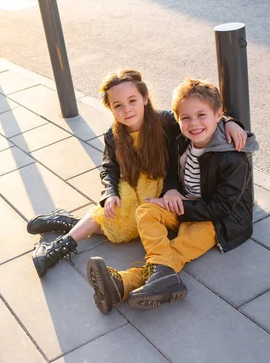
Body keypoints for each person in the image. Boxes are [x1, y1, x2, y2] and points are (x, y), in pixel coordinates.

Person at [27, 69, 246, 291]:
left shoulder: (166, 122)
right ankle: (64, 243)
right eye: (118, 105)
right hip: (138, 186)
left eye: (132, 100)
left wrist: (229, 122)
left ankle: (120, 275)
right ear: (110, 108)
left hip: (173, 193)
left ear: (145, 98)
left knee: (147, 232)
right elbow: (109, 167)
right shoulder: (115, 135)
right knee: (122, 213)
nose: (127, 109)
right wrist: (111, 193)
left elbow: (199, 114)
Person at [87, 76, 258, 314]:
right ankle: (160, 277)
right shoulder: (180, 140)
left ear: (218, 116)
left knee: (177, 248)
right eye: (185, 118)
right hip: (185, 204)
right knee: (145, 210)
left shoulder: (233, 159)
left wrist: (231, 122)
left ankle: (125, 283)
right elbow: (172, 173)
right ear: (177, 120)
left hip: (217, 220)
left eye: (201, 116)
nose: (194, 124)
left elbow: (221, 208)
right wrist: (171, 191)